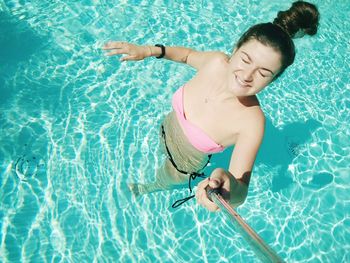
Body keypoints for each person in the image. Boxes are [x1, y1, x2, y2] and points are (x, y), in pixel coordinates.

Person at [102, 1, 319, 211]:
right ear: (234, 50)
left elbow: (241, 190)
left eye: (263, 73)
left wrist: (227, 185)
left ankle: (144, 189)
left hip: (182, 165)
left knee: (163, 179)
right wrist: (149, 50)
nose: (247, 75)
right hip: (166, 129)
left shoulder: (251, 122)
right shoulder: (215, 62)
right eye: (245, 60)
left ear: (272, 80)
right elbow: (187, 56)